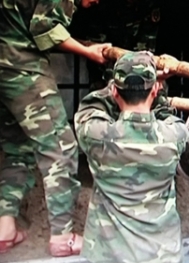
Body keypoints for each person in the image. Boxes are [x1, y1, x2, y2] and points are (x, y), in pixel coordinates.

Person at [0, 0, 111, 256]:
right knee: (61, 148)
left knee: (18, 149)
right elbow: (44, 28)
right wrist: (90, 52)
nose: (94, 2)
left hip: (5, 66)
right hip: (22, 68)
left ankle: (4, 227)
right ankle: (63, 237)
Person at [74, 51, 189, 263]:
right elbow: (165, 113)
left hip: (109, 257)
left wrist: (117, 84)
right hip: (162, 256)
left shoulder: (95, 134)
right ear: (155, 90)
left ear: (114, 91)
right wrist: (159, 85)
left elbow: (92, 105)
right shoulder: (175, 136)